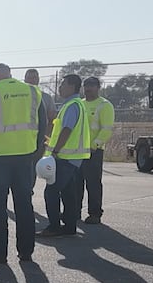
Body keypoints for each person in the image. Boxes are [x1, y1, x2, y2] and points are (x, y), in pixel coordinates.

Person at [0, 63, 47, 264]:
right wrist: (37, 151)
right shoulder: (32, 91)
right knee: (24, 205)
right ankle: (26, 251)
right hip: (25, 156)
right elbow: (43, 123)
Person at [38, 74, 91, 238]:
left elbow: (67, 130)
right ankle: (69, 225)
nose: (60, 87)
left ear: (72, 86)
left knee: (51, 191)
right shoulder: (74, 104)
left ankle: (54, 226)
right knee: (68, 192)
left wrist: (55, 151)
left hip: (65, 158)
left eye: (63, 84)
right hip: (72, 157)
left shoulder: (72, 106)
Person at [78, 76, 114, 224]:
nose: (88, 89)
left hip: (93, 151)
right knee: (75, 184)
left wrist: (94, 146)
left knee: (93, 184)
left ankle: (95, 213)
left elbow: (106, 130)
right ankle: (74, 211)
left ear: (98, 88)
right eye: (86, 85)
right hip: (77, 151)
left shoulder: (104, 105)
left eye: (92, 86)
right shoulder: (79, 104)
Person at [25, 68, 58, 195]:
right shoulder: (21, 96)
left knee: (33, 165)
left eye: (35, 77)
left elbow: (51, 118)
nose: (33, 79)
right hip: (23, 138)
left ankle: (29, 189)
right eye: (30, 77)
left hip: (38, 139)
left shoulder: (45, 97)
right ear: (25, 79)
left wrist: (46, 136)